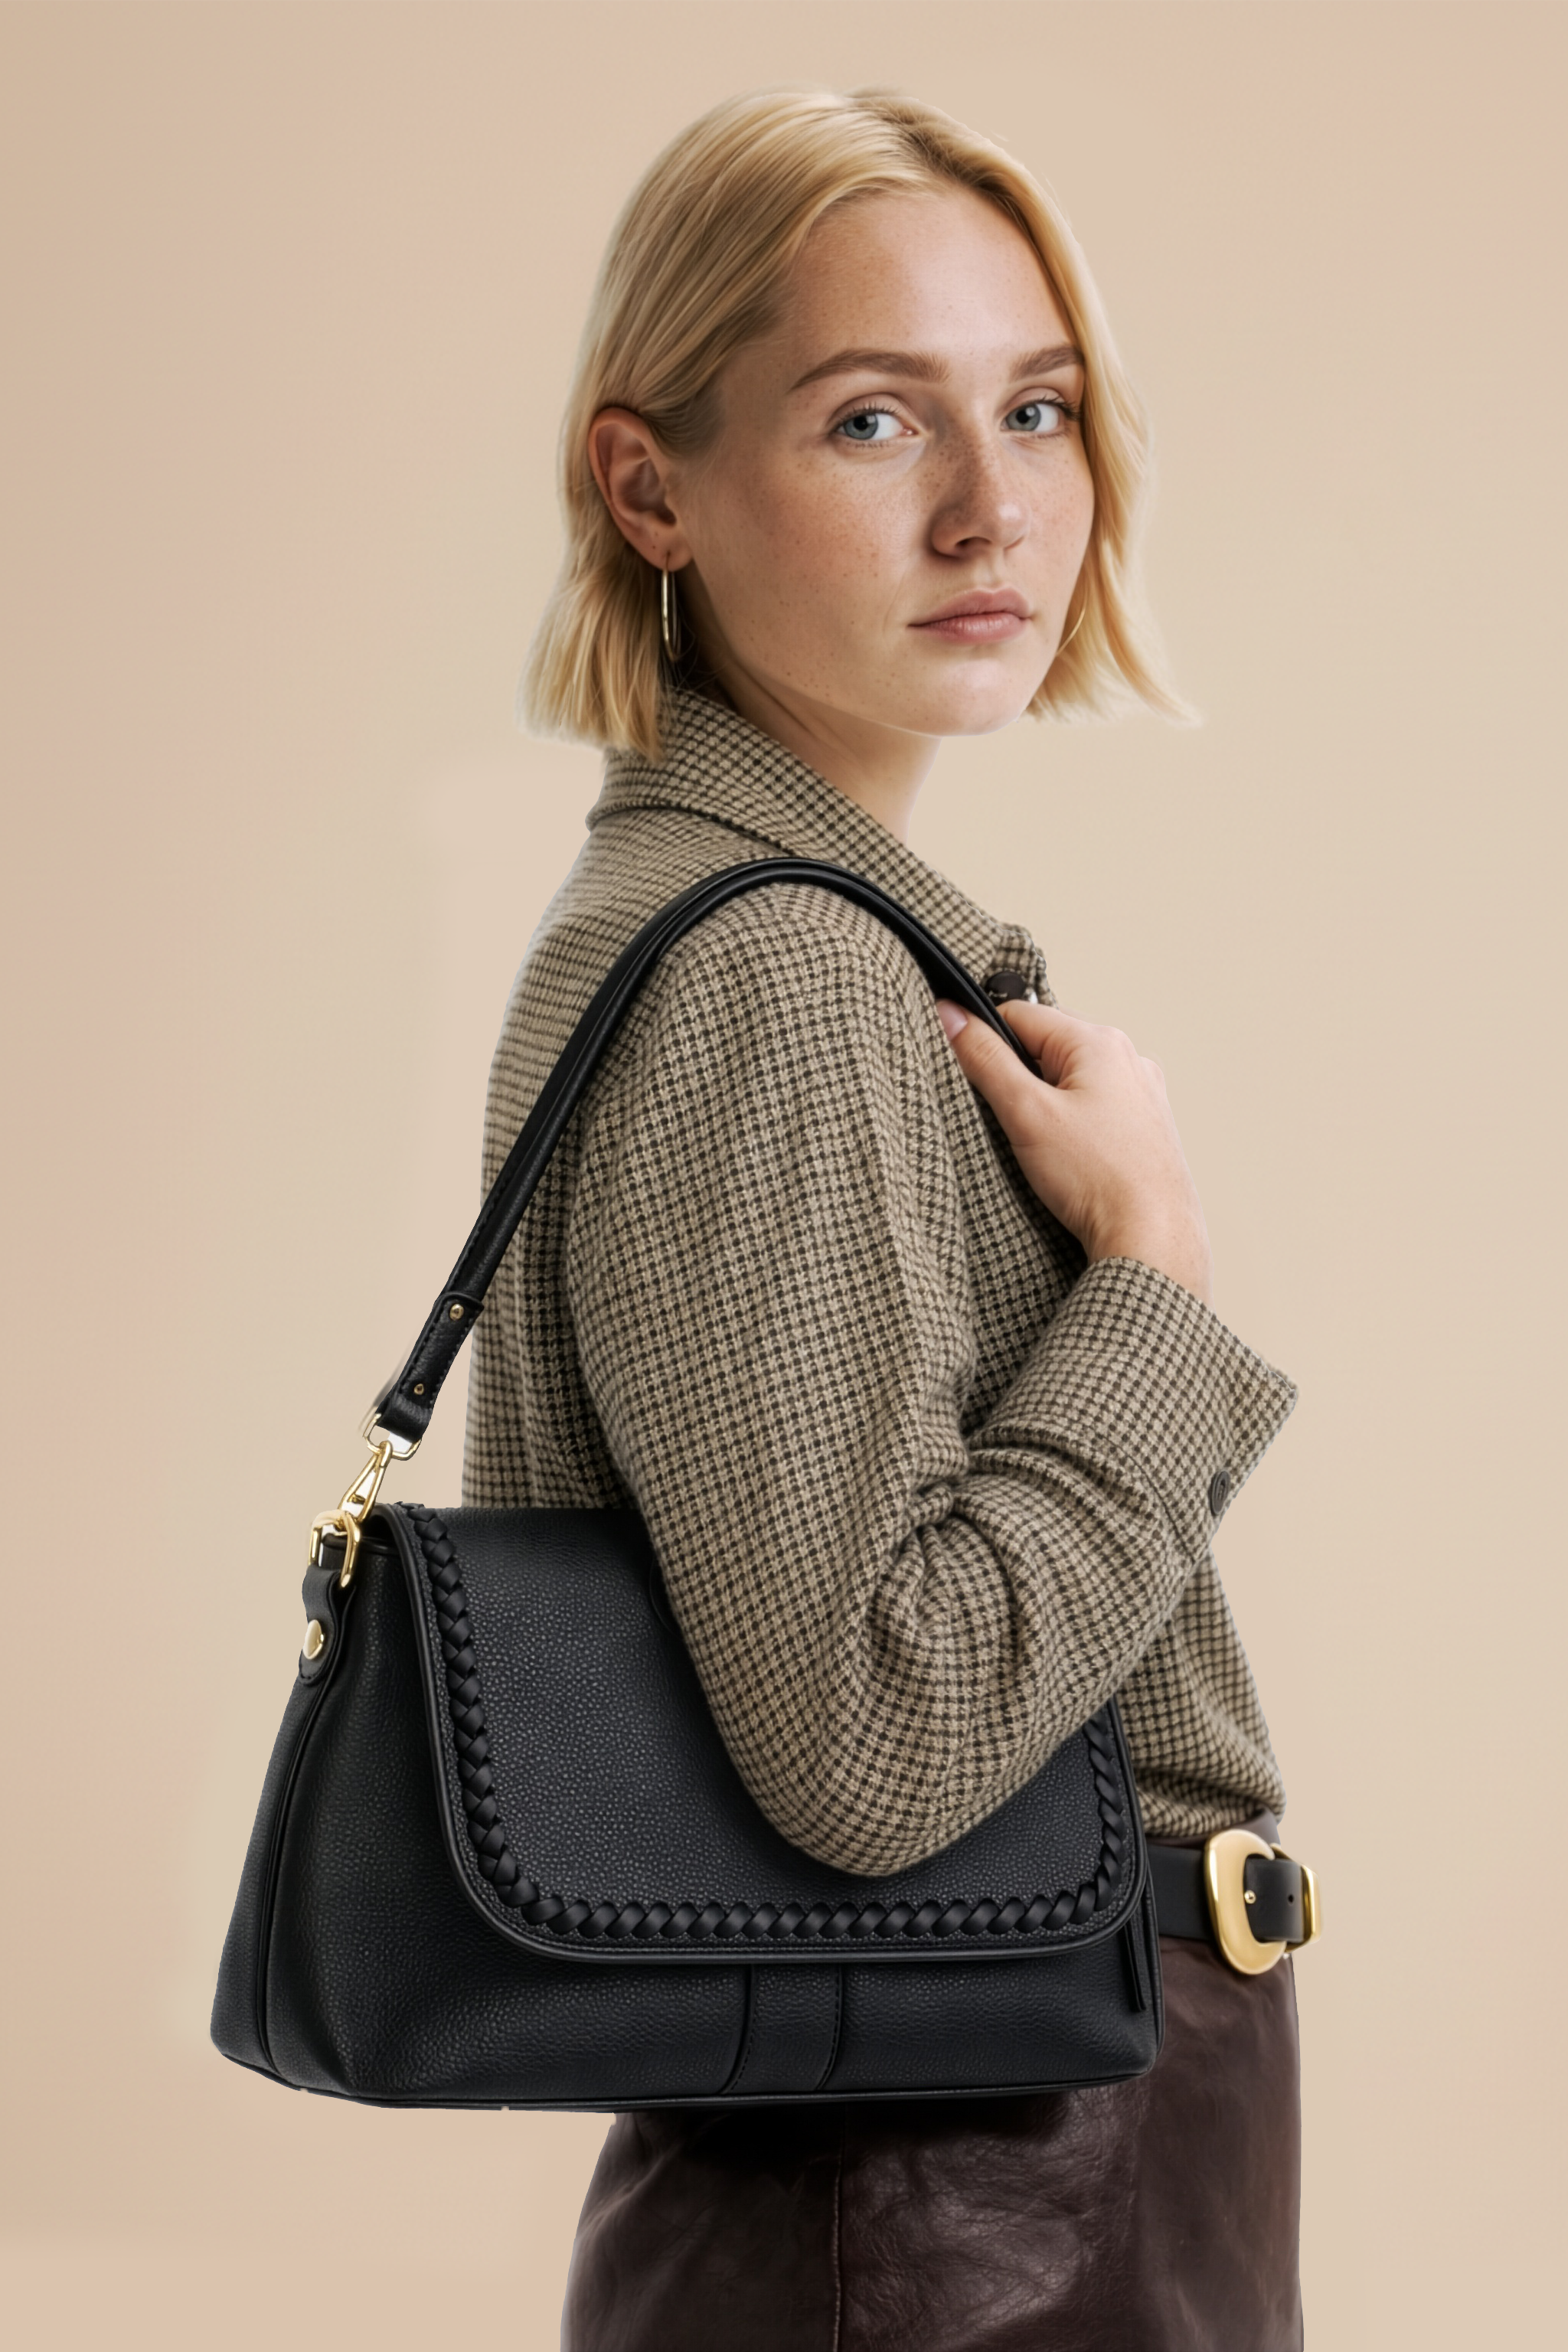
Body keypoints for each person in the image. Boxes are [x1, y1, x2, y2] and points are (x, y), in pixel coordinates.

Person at [464, 86, 1305, 2349]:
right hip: (964, 2192)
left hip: (948, 2170)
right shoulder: (777, 972)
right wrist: (1150, 1279)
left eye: (1037, 408)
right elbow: (875, 1742)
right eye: (871, 419)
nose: (989, 506)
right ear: (649, 486)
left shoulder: (752, 929)